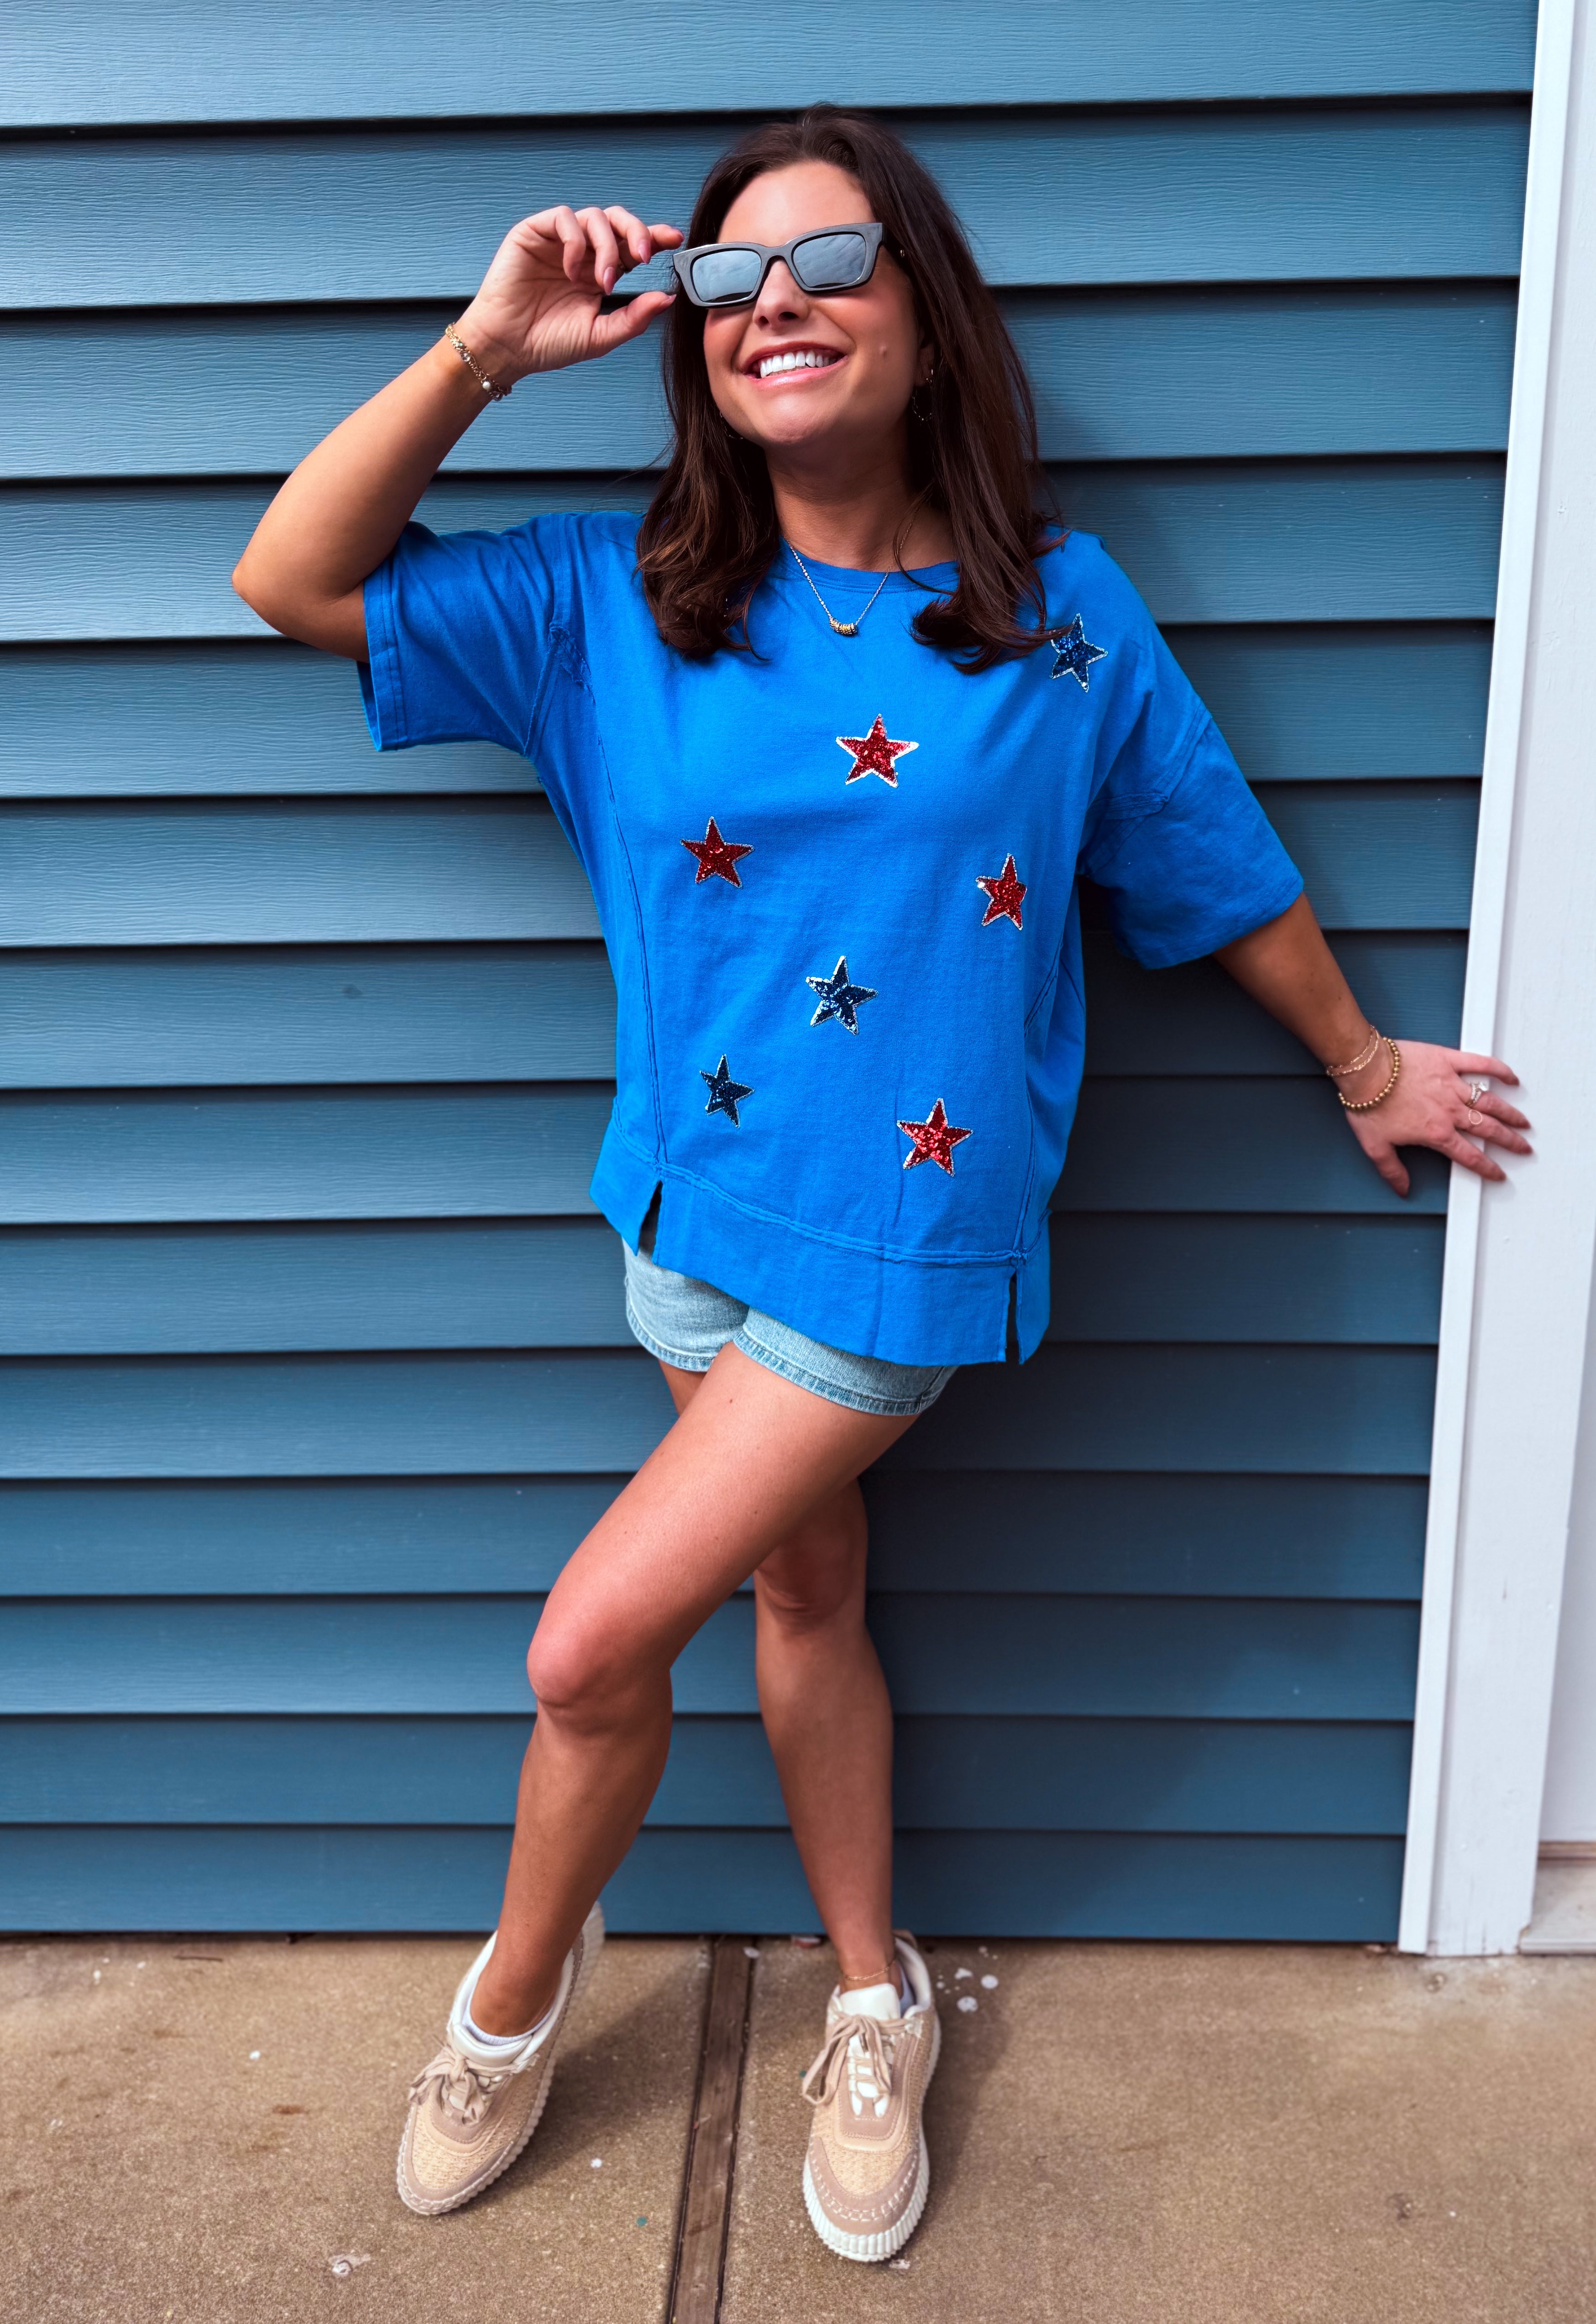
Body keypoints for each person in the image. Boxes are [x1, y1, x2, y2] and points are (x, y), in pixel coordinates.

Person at [232, 105, 1529, 2263]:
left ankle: (506, 2003)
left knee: (586, 1647)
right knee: (805, 1594)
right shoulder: (606, 600)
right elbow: (288, 580)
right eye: (727, 279)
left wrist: (1366, 1061)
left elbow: (1207, 861)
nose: (776, 306)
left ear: (927, 318)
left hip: (899, 1248)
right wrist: (485, 350)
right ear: (688, 336)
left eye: (830, 264)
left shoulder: (1055, 617)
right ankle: (873, 1992)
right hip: (680, 1217)